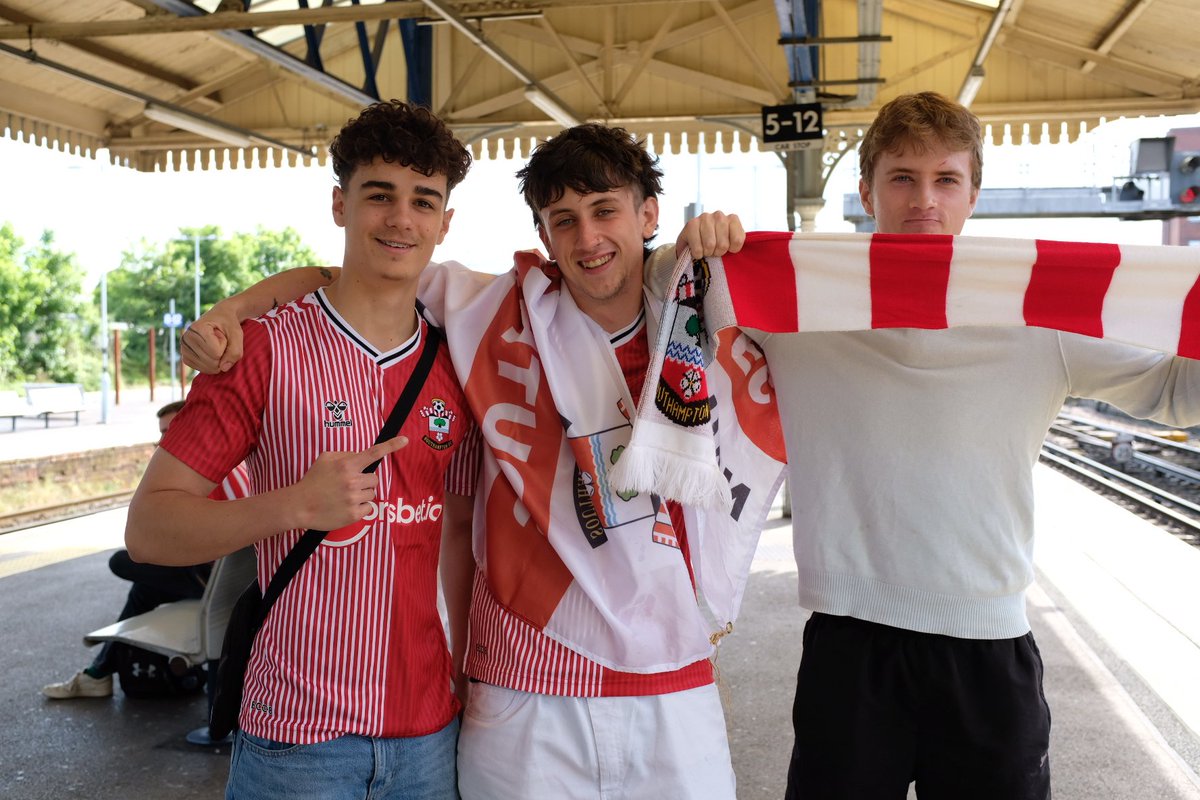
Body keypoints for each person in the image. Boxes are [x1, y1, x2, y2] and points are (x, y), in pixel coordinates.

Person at [181, 124, 752, 799]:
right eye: (562, 220)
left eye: (605, 211)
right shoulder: (493, 310)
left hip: (671, 676)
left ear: (649, 214)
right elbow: (347, 276)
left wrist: (721, 244)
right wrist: (231, 312)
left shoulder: (709, 312)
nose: (587, 238)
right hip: (523, 683)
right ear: (543, 235)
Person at [751, 92, 1200, 798]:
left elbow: (1177, 391)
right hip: (849, 636)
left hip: (989, 643)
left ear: (973, 195)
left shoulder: (1036, 315)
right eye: (901, 178)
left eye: (945, 180)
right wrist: (700, 249)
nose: (922, 200)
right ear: (867, 191)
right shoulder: (794, 309)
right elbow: (665, 311)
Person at [125, 100, 480, 800]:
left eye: (422, 201)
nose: (400, 219)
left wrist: (464, 669)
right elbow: (150, 530)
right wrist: (295, 505)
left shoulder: (459, 357)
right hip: (298, 739)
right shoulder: (263, 348)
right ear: (339, 205)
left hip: (429, 735)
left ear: (445, 222)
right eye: (378, 195)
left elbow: (460, 530)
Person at [42, 400, 250, 700]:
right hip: (219, 577)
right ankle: (97, 674)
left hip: (219, 584)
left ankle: (97, 675)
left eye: (171, 432)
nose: (164, 443)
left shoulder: (218, 475)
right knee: (144, 589)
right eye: (161, 434)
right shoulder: (228, 466)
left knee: (123, 561)